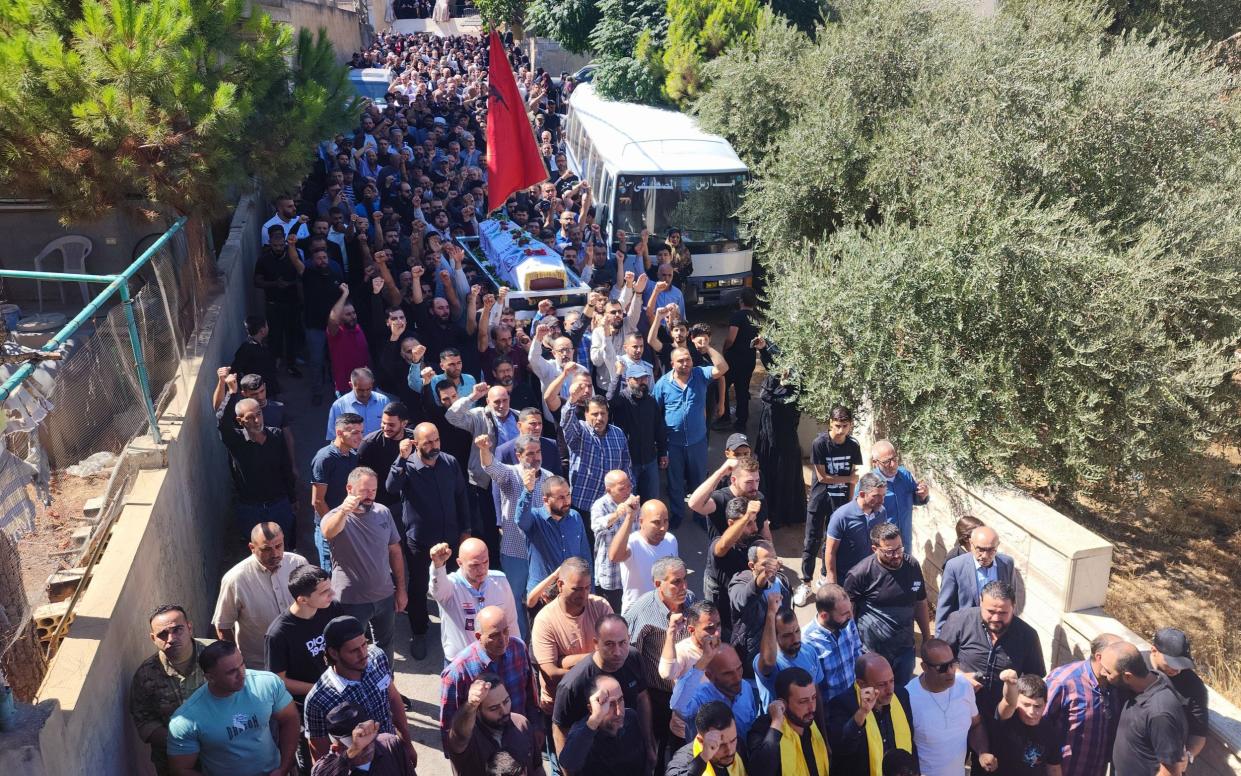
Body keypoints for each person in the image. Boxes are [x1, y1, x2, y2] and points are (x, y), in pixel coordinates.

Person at [387, 421, 471, 660]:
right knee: (419, 587)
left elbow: (461, 496)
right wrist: (401, 459)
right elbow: (391, 487)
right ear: (416, 444)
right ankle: (419, 631)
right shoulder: (407, 466)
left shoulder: (449, 462)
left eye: (437, 441)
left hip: (451, 539)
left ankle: (457, 627)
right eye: (428, 443)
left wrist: (466, 530)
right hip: (420, 541)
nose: (434, 446)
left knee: (455, 584)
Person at [166, 640, 300, 776]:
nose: (242, 674)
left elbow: (290, 719)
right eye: (231, 672)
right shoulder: (187, 719)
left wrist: (284, 767)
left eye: (242, 664)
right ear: (210, 677)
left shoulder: (266, 683)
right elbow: (181, 770)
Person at [303, 616, 417, 767]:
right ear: (334, 653)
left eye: (364, 645)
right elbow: (320, 757)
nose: (363, 654)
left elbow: (394, 699)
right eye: (354, 650)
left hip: (393, 752)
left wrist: (406, 744)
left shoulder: (377, 657)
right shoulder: (318, 700)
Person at [322, 467, 407, 664]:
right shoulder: (337, 516)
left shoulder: (383, 512)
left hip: (384, 596)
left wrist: (401, 589)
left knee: (385, 646)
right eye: (364, 491)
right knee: (351, 651)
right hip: (351, 600)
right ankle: (357, 690)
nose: (370, 496)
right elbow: (327, 531)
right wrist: (344, 510)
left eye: (373, 491)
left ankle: (386, 686)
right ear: (349, 489)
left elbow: (395, 551)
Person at [552, 613, 654, 767]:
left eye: (622, 643)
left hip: (632, 757)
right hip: (595, 763)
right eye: (609, 644)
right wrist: (568, 771)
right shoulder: (573, 684)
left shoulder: (633, 658)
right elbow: (560, 729)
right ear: (595, 643)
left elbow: (642, 698)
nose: (618, 652)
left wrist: (649, 745)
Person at [479, 429, 552, 641]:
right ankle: (519, 641)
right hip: (515, 550)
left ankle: (541, 641)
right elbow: (490, 466)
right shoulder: (510, 474)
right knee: (513, 601)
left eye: (537, 452)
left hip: (541, 553)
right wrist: (484, 449)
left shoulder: (549, 478)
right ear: (518, 456)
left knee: (541, 599)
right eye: (529, 453)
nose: (535, 457)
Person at [440, 607, 543, 755]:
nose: (503, 640)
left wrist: (536, 726)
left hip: (519, 739)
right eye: (494, 635)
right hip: (482, 752)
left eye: (506, 631)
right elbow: (449, 729)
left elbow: (530, 692)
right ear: (478, 636)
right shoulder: (457, 673)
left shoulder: (518, 648)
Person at [938, 581, 1045, 722]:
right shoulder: (959, 620)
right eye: (991, 612)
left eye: (1003, 613)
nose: (996, 618)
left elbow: (1035, 679)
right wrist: (959, 676)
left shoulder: (1028, 636)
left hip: (1002, 716)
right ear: (981, 602)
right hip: (957, 707)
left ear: (1013, 607)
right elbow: (938, 660)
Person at [624, 555, 696, 762]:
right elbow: (630, 654)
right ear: (658, 584)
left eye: (684, 579)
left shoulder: (691, 600)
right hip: (658, 697)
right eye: (676, 582)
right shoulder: (643, 610)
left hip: (688, 692)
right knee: (658, 752)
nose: (684, 587)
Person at [843, 522, 931, 688]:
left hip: (905, 651)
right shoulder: (859, 574)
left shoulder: (912, 565)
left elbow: (920, 602)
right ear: (875, 549)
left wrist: (926, 637)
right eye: (890, 551)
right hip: (872, 653)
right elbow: (848, 616)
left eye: (899, 548)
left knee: (901, 694)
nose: (897, 555)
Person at [130, 604, 212, 776]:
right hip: (174, 763)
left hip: (221, 755)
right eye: (162, 634)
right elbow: (144, 723)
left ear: (189, 628)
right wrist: (183, 743)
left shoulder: (216, 656)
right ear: (153, 638)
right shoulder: (146, 675)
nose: (171, 638)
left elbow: (241, 694)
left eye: (177, 630)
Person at [653, 344, 728, 529]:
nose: (686, 363)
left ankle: (699, 514)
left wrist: (708, 348)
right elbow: (656, 413)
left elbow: (723, 368)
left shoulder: (700, 375)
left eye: (688, 359)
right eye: (681, 360)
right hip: (673, 444)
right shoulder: (662, 384)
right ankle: (677, 514)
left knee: (700, 480)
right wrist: (660, 446)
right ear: (672, 363)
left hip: (698, 441)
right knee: (675, 482)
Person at [212, 522, 306, 669]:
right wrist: (237, 662)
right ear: (252, 548)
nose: (275, 554)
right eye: (267, 549)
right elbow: (223, 626)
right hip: (261, 666)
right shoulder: (235, 580)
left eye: (278, 546)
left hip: (300, 657)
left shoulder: (298, 564)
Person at [794, 406, 863, 607]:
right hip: (819, 499)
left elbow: (852, 478)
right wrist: (849, 478)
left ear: (850, 425)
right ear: (830, 424)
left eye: (844, 426)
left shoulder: (853, 445)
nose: (840, 431)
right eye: (837, 426)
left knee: (831, 543)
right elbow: (823, 477)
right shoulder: (820, 443)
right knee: (811, 541)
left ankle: (824, 576)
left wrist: (850, 502)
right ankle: (806, 582)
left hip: (840, 501)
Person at [531, 557, 614, 720]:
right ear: (560, 585)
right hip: (562, 704)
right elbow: (551, 674)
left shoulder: (601, 607)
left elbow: (615, 652)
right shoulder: (544, 620)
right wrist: (596, 659)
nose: (583, 594)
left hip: (600, 700)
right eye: (576, 589)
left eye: (587, 588)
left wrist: (567, 661)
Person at [904, 638, 993, 776]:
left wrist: (982, 752)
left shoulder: (964, 686)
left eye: (952, 664)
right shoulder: (907, 697)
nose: (951, 671)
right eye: (942, 667)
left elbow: (976, 725)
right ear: (924, 667)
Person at [1099, 641, 1188, 776]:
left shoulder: (1160, 713)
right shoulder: (1146, 681)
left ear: (1127, 676)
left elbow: (1171, 772)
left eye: (1108, 671)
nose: (1102, 672)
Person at [1043, 633, 1124, 776]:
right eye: (1119, 656)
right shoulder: (1063, 681)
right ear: (1099, 657)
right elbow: (1040, 724)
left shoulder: (1117, 684)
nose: (1123, 662)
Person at [827, 653, 919, 776]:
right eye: (882, 684)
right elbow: (843, 748)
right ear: (861, 684)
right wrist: (862, 713)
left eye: (891, 681)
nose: (890, 690)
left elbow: (910, 743)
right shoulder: (842, 704)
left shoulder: (901, 695)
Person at [264, 565, 343, 708]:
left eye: (330, 587)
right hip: (307, 702)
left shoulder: (332, 608)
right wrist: (322, 688)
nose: (332, 594)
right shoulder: (278, 634)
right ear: (303, 600)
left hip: (339, 689)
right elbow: (278, 681)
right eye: (324, 592)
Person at [430, 537, 520, 664]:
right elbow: (436, 588)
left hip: (497, 659)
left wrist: (516, 653)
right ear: (460, 563)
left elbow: (510, 622)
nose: (482, 569)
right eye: (475, 565)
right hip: (462, 663)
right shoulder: (450, 587)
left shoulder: (500, 581)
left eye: (485, 562)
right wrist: (438, 566)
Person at [219, 397, 297, 541]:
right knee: (258, 550)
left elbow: (285, 468)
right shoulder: (236, 441)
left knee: (284, 544)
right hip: (251, 509)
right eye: (250, 417)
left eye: (258, 414)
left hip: (279, 504)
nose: (257, 420)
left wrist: (292, 499)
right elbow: (221, 421)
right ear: (240, 420)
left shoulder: (275, 435)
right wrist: (230, 393)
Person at [516, 471, 592, 602]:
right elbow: (520, 520)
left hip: (572, 593)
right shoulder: (535, 518)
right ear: (545, 500)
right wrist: (527, 492)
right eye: (560, 497)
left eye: (568, 495)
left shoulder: (575, 517)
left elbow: (585, 556)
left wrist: (590, 591)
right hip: (542, 595)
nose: (566, 501)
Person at [561, 380, 633, 512]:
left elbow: (626, 466)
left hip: (610, 507)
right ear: (586, 414)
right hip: (582, 504)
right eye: (595, 414)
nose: (599, 418)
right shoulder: (580, 431)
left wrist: (628, 494)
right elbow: (566, 422)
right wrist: (572, 400)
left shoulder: (618, 434)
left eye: (603, 413)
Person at [447, 676, 541, 776]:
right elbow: (459, 734)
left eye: (506, 701)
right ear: (477, 710)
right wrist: (471, 705)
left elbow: (537, 768)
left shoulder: (521, 723)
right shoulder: (469, 740)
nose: (504, 711)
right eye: (493, 708)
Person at [559, 674, 650, 776]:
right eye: (610, 704)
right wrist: (595, 719)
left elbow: (642, 761)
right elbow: (569, 764)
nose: (619, 712)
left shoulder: (631, 717)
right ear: (592, 708)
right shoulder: (582, 733)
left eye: (620, 700)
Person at [747, 667, 830, 776]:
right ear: (783, 703)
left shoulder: (812, 720)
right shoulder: (763, 729)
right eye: (803, 702)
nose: (812, 708)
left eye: (813, 698)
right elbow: (761, 771)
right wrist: (776, 723)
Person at [935, 525, 1017, 631]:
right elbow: (945, 606)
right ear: (971, 544)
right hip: (966, 632)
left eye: (991, 550)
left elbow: (1011, 599)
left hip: (997, 631)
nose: (985, 555)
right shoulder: (955, 567)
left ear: (998, 546)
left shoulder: (1007, 563)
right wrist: (940, 640)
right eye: (980, 549)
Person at [606, 360, 666, 501]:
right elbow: (610, 399)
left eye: (644, 378)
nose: (641, 382)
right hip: (629, 463)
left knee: (652, 499)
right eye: (637, 378)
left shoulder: (651, 401)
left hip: (650, 459)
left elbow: (659, 428)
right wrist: (618, 373)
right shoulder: (621, 399)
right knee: (630, 501)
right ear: (627, 380)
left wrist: (663, 452)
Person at [678, 644, 761, 743]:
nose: (737, 678)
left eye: (739, 669)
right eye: (728, 674)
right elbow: (680, 708)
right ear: (709, 676)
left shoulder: (746, 687)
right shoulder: (700, 698)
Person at [728, 542, 793, 670]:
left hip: (780, 658)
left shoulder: (782, 581)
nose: (772, 568)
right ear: (752, 565)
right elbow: (742, 600)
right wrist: (763, 577)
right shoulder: (739, 582)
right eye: (766, 564)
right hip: (752, 662)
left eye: (774, 560)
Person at [311, 412, 363, 569]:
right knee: (332, 574)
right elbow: (318, 501)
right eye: (355, 433)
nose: (360, 437)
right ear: (339, 433)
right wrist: (333, 528)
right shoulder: (324, 458)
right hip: (330, 530)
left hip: (349, 525)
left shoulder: (354, 456)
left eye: (361, 432)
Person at [821, 471, 888, 591]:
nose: (882, 500)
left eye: (884, 495)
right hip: (845, 581)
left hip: (870, 580)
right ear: (862, 494)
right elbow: (830, 551)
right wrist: (833, 583)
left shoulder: (881, 512)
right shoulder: (841, 516)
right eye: (876, 496)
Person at [608, 499, 679, 614]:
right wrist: (630, 517)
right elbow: (614, 556)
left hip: (665, 612)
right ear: (641, 522)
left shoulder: (671, 540)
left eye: (665, 521)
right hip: (636, 614)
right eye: (656, 522)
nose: (662, 528)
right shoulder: (632, 543)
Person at [754, 593, 823, 709]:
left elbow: (816, 694)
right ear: (774, 636)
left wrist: (822, 727)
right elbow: (767, 662)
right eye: (787, 635)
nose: (795, 639)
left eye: (797, 631)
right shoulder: (768, 661)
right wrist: (771, 614)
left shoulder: (809, 652)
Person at [1150, 627, 1209, 761]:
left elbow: (1198, 732)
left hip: (1169, 761)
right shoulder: (1136, 666)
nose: (1177, 669)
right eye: (1171, 663)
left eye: (1181, 664)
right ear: (1154, 651)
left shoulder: (1193, 685)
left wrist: (1188, 756)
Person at [706, 497, 762, 635]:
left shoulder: (751, 540)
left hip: (746, 606)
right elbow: (722, 546)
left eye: (754, 521)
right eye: (748, 523)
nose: (754, 528)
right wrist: (747, 515)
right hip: (725, 615)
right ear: (731, 523)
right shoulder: (719, 545)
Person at [312, 702, 417, 776]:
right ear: (336, 748)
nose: (367, 747)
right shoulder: (324, 767)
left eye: (367, 737)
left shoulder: (390, 743)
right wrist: (350, 754)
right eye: (355, 743)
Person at [800, 582, 864, 704]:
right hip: (830, 708)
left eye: (850, 610)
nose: (850, 616)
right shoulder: (807, 641)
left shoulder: (847, 622)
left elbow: (857, 651)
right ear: (824, 615)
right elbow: (811, 686)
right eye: (844, 614)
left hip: (854, 696)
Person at [989, 670, 1062, 776]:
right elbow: (1008, 702)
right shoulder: (1007, 718)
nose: (1032, 712)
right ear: (1017, 702)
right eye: (1026, 705)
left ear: (1045, 704)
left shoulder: (1049, 730)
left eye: (1037, 706)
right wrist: (1010, 684)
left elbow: (1054, 768)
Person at [590, 470, 639, 612]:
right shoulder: (600, 506)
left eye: (629, 486)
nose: (627, 491)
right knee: (612, 616)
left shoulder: (633, 500)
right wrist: (617, 514)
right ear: (608, 490)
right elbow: (596, 527)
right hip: (612, 573)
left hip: (631, 570)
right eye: (622, 488)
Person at [869, 440, 928, 553]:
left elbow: (916, 499)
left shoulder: (905, 475)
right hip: (884, 545)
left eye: (894, 459)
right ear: (875, 462)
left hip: (905, 541)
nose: (893, 464)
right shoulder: (869, 483)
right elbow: (860, 514)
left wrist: (923, 495)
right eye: (887, 461)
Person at [357, 401, 415, 510]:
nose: (386, 427)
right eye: (383, 423)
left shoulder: (416, 439)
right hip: (384, 505)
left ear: (404, 423)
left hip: (412, 501)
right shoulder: (369, 444)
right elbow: (360, 479)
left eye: (391, 425)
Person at [666, 701, 746, 776]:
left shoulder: (739, 746)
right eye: (721, 745)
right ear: (701, 741)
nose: (730, 750)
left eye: (733, 740)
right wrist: (703, 758)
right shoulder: (683, 758)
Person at [720, 287, 760, 433]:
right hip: (749, 358)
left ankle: (724, 417)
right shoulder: (755, 318)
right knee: (742, 390)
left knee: (722, 386)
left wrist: (724, 349)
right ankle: (741, 421)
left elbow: (731, 338)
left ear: (741, 300)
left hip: (734, 358)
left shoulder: (737, 316)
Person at [326, 368, 391, 440]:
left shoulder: (384, 401)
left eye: (368, 389)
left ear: (372, 383)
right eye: (360, 390)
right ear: (351, 385)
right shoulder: (339, 406)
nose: (365, 394)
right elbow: (333, 437)